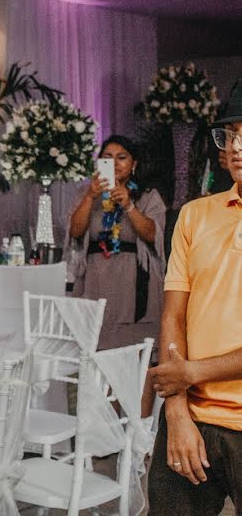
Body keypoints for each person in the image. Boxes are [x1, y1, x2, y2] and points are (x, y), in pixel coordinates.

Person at [146, 86, 242, 514]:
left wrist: (189, 372)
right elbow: (173, 317)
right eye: (230, 135)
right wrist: (177, 411)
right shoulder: (195, 215)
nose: (236, 148)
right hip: (191, 418)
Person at [67, 135, 167, 352]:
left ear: (134, 165)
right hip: (96, 279)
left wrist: (129, 206)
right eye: (107, 157)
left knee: (135, 353)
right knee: (96, 346)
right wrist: (90, 197)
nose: (114, 163)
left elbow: (153, 235)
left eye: (122, 157)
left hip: (133, 283)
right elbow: (75, 231)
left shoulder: (149, 196)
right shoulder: (85, 194)